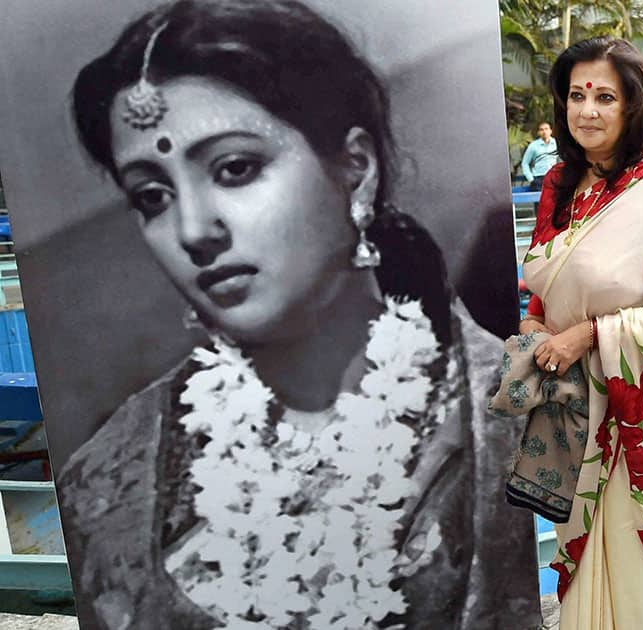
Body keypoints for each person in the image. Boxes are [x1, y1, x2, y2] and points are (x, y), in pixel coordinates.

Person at [57, 1, 540, 628]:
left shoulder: (519, 414)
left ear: (356, 171)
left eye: (235, 168)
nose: (193, 229)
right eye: (152, 196)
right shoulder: (105, 482)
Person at [520, 36, 643, 629]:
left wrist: (588, 336)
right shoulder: (560, 185)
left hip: (635, 419)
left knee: (634, 585)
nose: (588, 111)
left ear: (632, 107)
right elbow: (546, 283)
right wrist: (535, 323)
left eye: (605, 96)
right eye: (577, 95)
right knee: (577, 578)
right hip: (571, 414)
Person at [520, 121, 558, 191]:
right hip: (539, 179)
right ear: (538, 132)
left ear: (551, 131)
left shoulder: (556, 144)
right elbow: (525, 163)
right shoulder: (533, 146)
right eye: (541, 129)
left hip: (554, 177)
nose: (544, 132)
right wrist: (531, 179)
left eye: (546, 129)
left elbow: (563, 159)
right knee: (540, 201)